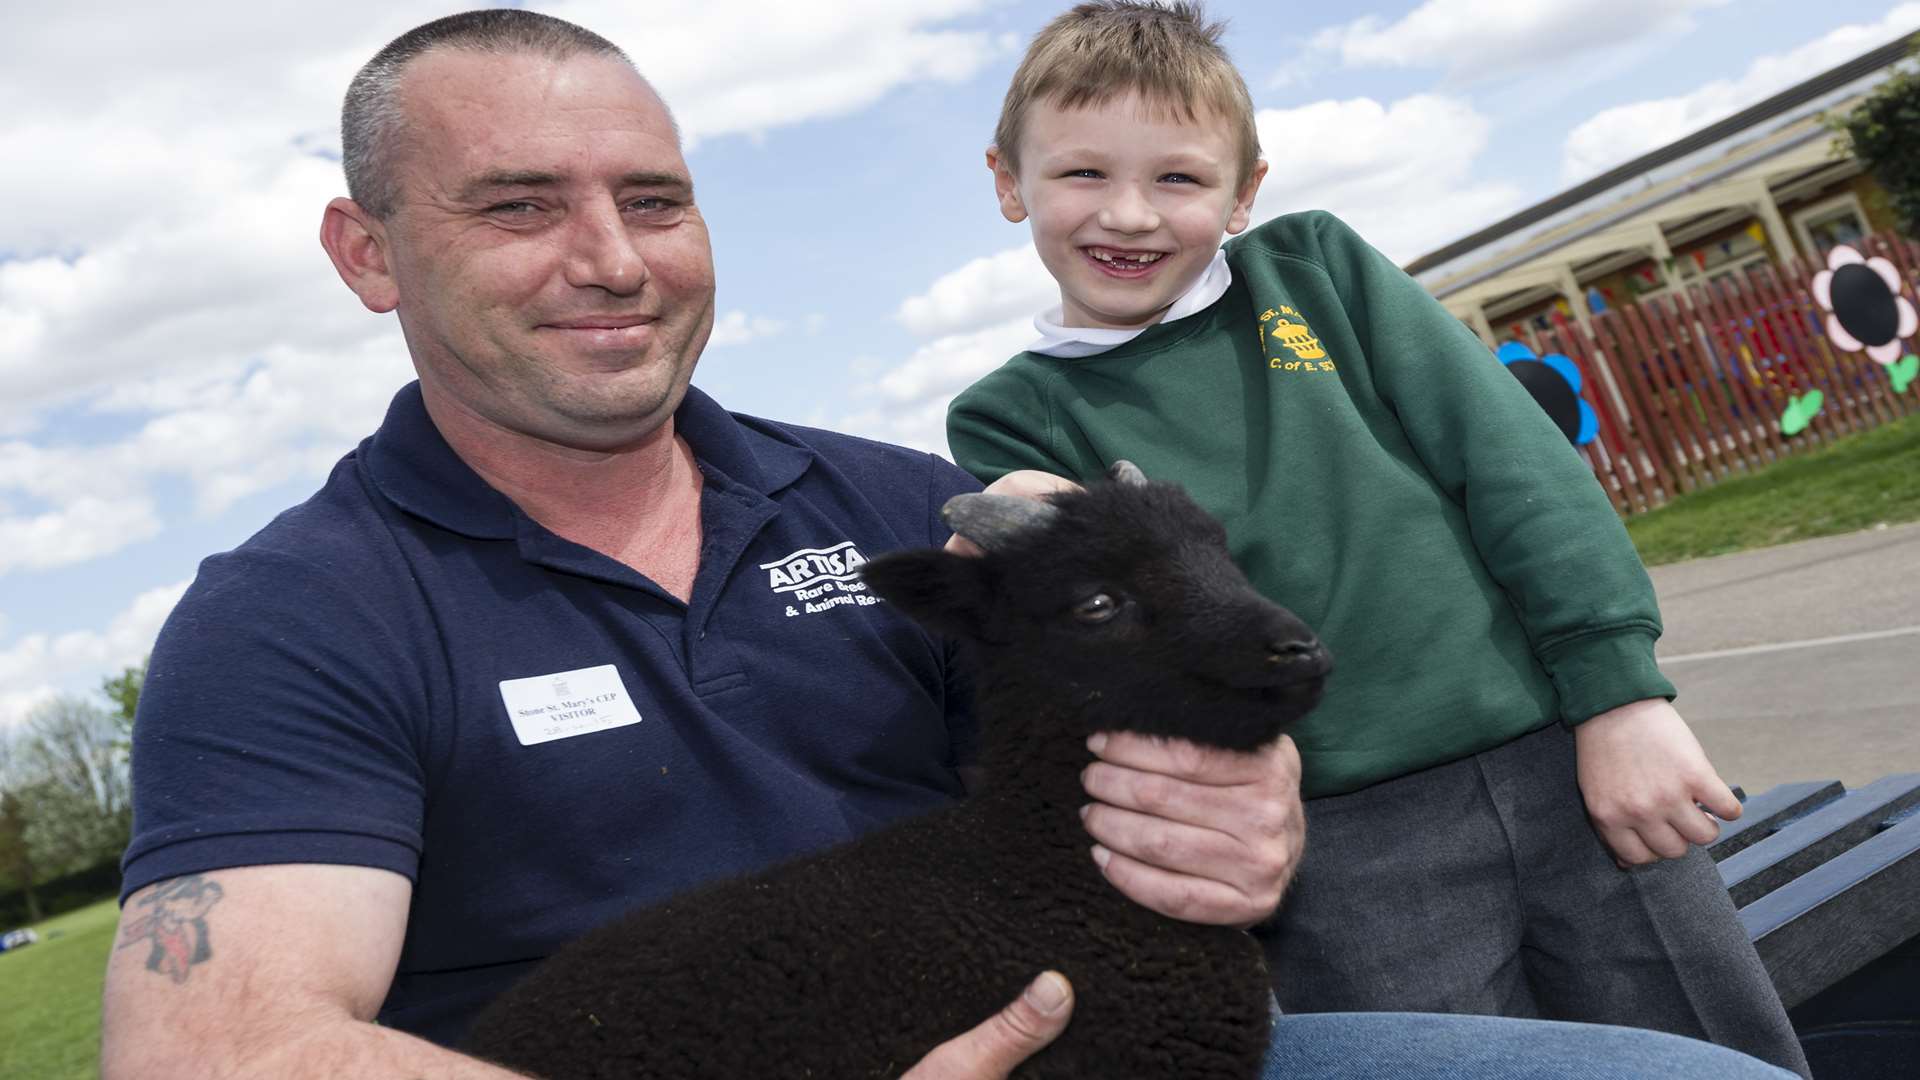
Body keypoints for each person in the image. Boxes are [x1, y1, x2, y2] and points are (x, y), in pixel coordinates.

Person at [100, 10, 1797, 1080]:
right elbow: (207, 1044)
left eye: (658, 200)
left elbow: (1168, 704)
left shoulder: (902, 503)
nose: (611, 260)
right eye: (519, 205)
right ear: (369, 252)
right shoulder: (301, 616)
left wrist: (1240, 814)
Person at [945, 3, 1811, 1077]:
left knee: (1710, 1054)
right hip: (1338, 840)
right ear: (1007, 182)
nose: (1129, 214)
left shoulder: (1316, 273)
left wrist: (1620, 693)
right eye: (1081, 175)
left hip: (1567, 758)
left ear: (1243, 191)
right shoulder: (1009, 417)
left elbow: (1509, 464)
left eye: (1178, 178)